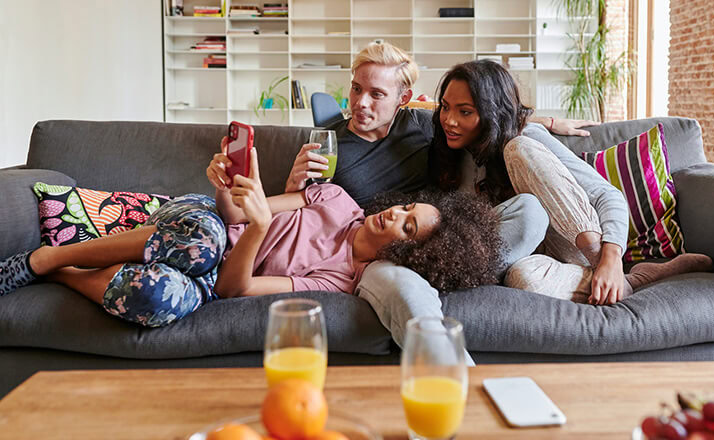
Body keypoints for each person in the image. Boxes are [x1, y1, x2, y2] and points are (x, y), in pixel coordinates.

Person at [282, 42, 604, 357]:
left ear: (402, 98)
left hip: (443, 237)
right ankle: (453, 372)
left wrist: (545, 122)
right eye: (355, 89)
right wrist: (293, 184)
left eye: (376, 94)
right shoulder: (329, 144)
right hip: (381, 250)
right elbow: (305, 218)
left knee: (529, 211)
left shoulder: (422, 124)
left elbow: (479, 112)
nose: (361, 103)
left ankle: (458, 273)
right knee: (403, 290)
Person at [0, 146, 502, 327]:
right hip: (201, 225)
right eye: (406, 207)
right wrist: (231, 188)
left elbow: (232, 290)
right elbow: (237, 214)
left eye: (407, 225)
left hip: (215, 273)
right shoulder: (336, 200)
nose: (394, 213)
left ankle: (63, 274)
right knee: (202, 241)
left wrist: (259, 228)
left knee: (157, 298)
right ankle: (49, 256)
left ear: (411, 255)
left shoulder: (340, 281)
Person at [429, 59, 714, 304]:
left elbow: (607, 195)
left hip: (575, 243)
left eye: (465, 111)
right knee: (523, 279)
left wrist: (610, 259)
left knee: (518, 148)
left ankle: (607, 268)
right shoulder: (448, 154)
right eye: (445, 107)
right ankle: (633, 281)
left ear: (492, 113)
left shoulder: (525, 137)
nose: (449, 120)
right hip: (531, 260)